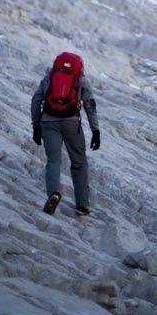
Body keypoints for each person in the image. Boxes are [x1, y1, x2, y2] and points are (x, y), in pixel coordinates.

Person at [30, 51, 100, 217]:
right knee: (79, 162)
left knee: (54, 161)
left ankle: (54, 193)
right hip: (71, 122)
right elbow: (90, 105)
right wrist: (95, 130)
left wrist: (36, 127)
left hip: (48, 122)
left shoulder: (49, 77)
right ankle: (82, 205)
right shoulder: (80, 79)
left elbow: (36, 100)